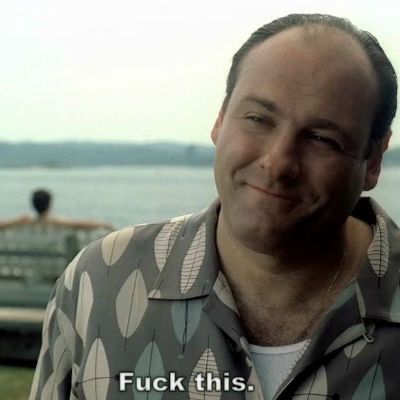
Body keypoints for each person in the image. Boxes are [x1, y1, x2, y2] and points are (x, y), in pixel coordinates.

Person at [30, 13, 397, 400]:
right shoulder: (99, 282)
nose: (277, 163)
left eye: (322, 138)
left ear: (373, 160)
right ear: (220, 120)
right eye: (258, 118)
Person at [0, 189, 114, 230]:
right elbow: (79, 224)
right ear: (49, 204)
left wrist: (16, 220)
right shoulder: (58, 222)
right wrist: (105, 224)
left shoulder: (24, 221)